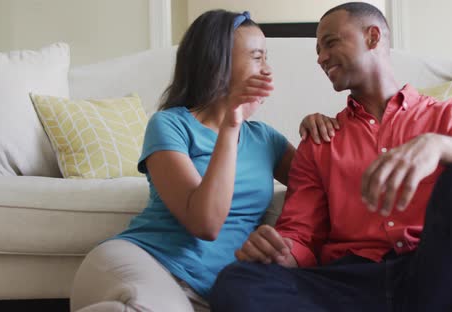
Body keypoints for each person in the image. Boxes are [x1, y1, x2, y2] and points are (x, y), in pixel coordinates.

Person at [210, 2, 452, 312]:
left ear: (373, 37)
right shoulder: (320, 142)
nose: (320, 58)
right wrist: (279, 250)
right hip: (349, 284)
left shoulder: (449, 116)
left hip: (433, 274)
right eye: (318, 50)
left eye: (330, 43)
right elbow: (302, 234)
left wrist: (437, 145)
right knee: (237, 282)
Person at [70, 10, 338, 312]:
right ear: (218, 64)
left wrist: (321, 130)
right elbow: (205, 223)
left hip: (211, 292)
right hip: (145, 261)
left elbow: (329, 187)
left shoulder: (265, 139)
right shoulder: (170, 125)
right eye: (257, 57)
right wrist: (230, 125)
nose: (268, 71)